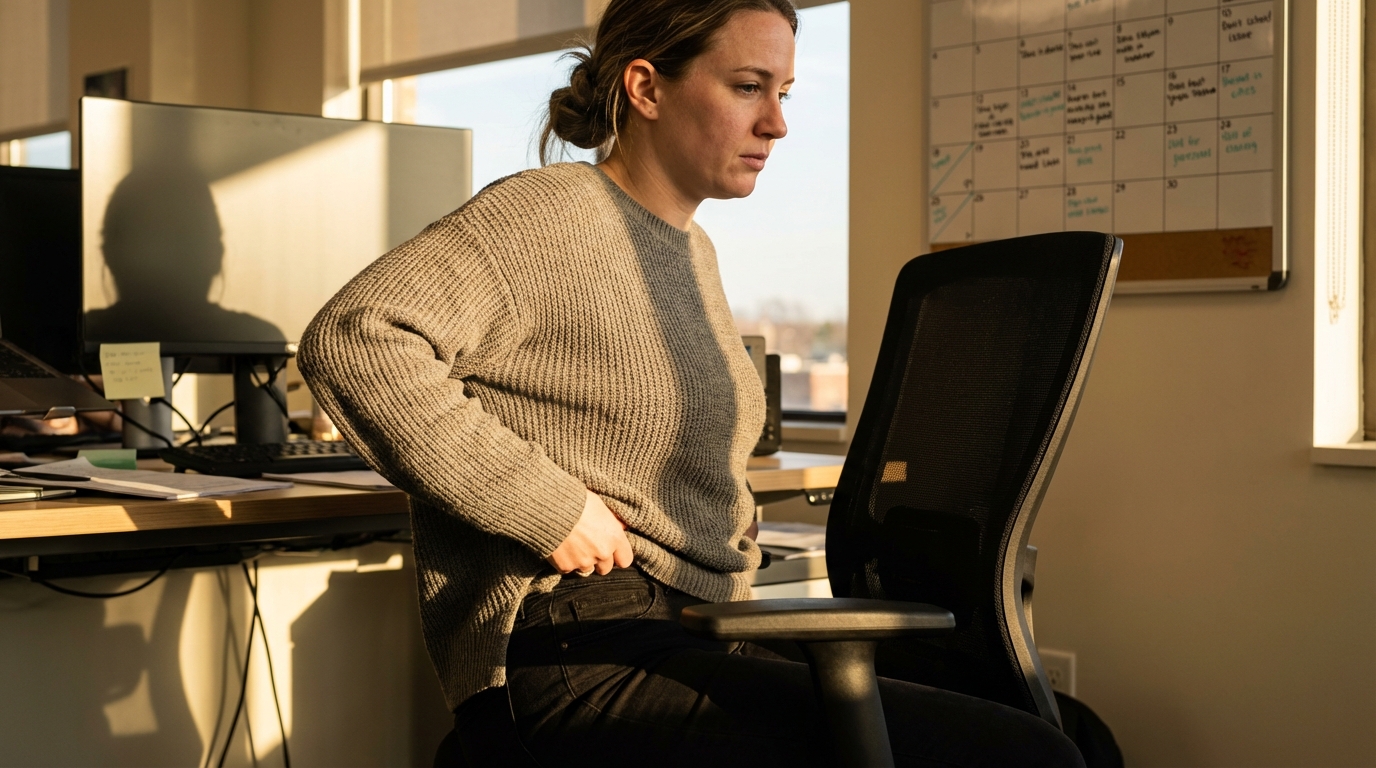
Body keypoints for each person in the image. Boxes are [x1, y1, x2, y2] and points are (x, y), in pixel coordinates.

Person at [298, 1, 1085, 765]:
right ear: (645, 88)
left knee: (1074, 734)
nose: (776, 123)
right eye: (748, 87)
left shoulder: (690, 248)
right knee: (1028, 753)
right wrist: (549, 506)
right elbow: (358, 338)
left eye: (782, 93)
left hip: (697, 624)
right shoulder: (549, 210)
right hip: (581, 644)